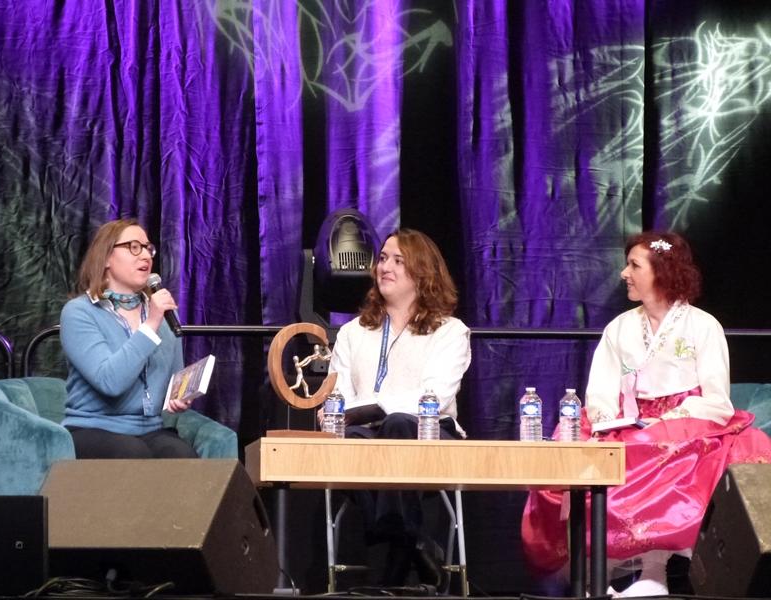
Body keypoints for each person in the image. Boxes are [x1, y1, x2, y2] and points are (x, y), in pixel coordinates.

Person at [521, 231, 771, 597]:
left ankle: (654, 572)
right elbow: (600, 393)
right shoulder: (620, 328)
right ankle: (596, 574)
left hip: (687, 420)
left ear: (662, 272)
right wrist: (609, 420)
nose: (624, 273)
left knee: (672, 450)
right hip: (628, 421)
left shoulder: (703, 326)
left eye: (635, 265)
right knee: (577, 448)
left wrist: (668, 419)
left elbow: (716, 398)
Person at [323, 228, 471, 591]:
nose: (384, 266)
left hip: (431, 434)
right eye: (384, 258)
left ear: (423, 274)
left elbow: (433, 397)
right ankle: (416, 544)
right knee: (351, 439)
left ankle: (391, 564)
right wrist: (344, 412)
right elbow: (335, 399)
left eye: (398, 261)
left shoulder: (450, 331)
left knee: (400, 423)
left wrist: (381, 409)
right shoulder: (352, 332)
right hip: (366, 437)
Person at [60, 218, 199, 459]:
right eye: (134, 247)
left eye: (148, 248)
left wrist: (179, 397)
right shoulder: (79, 312)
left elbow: (174, 379)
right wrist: (151, 324)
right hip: (92, 428)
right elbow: (110, 382)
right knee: (131, 455)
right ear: (105, 258)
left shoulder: (165, 313)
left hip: (151, 429)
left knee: (183, 458)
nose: (145, 255)